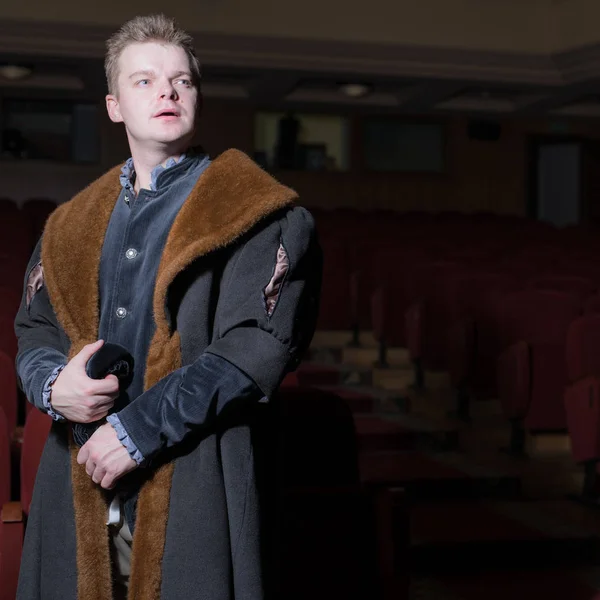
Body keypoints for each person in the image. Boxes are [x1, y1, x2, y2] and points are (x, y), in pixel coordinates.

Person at [14, 13, 322, 600]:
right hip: (76, 487)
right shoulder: (69, 224)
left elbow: (255, 347)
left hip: (195, 483)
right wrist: (55, 387)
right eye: (145, 81)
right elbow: (33, 327)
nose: (167, 92)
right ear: (114, 105)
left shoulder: (260, 213)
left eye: (181, 80)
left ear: (197, 97)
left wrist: (135, 431)